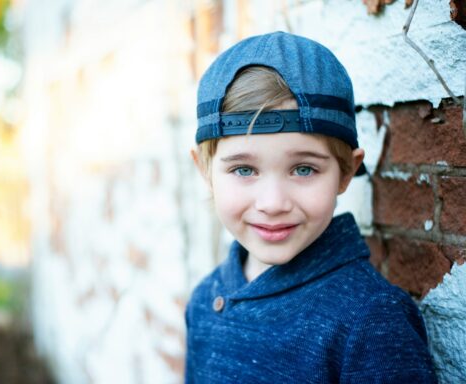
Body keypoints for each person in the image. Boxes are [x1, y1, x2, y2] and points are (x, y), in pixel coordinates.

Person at [184, 32, 437, 383]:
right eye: (244, 169)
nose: (273, 204)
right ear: (205, 171)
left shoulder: (371, 320)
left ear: (346, 170)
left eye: (304, 169)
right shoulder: (204, 299)